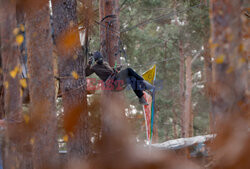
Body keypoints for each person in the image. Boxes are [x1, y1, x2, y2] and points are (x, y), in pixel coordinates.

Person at [85, 51, 155, 105]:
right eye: (98, 59)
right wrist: (89, 64)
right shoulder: (94, 67)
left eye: (101, 58)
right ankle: (144, 84)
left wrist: (117, 68)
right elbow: (86, 73)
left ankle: (141, 98)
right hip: (112, 83)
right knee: (129, 70)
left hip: (116, 79)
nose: (100, 60)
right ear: (96, 60)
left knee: (132, 79)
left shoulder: (105, 63)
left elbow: (111, 70)